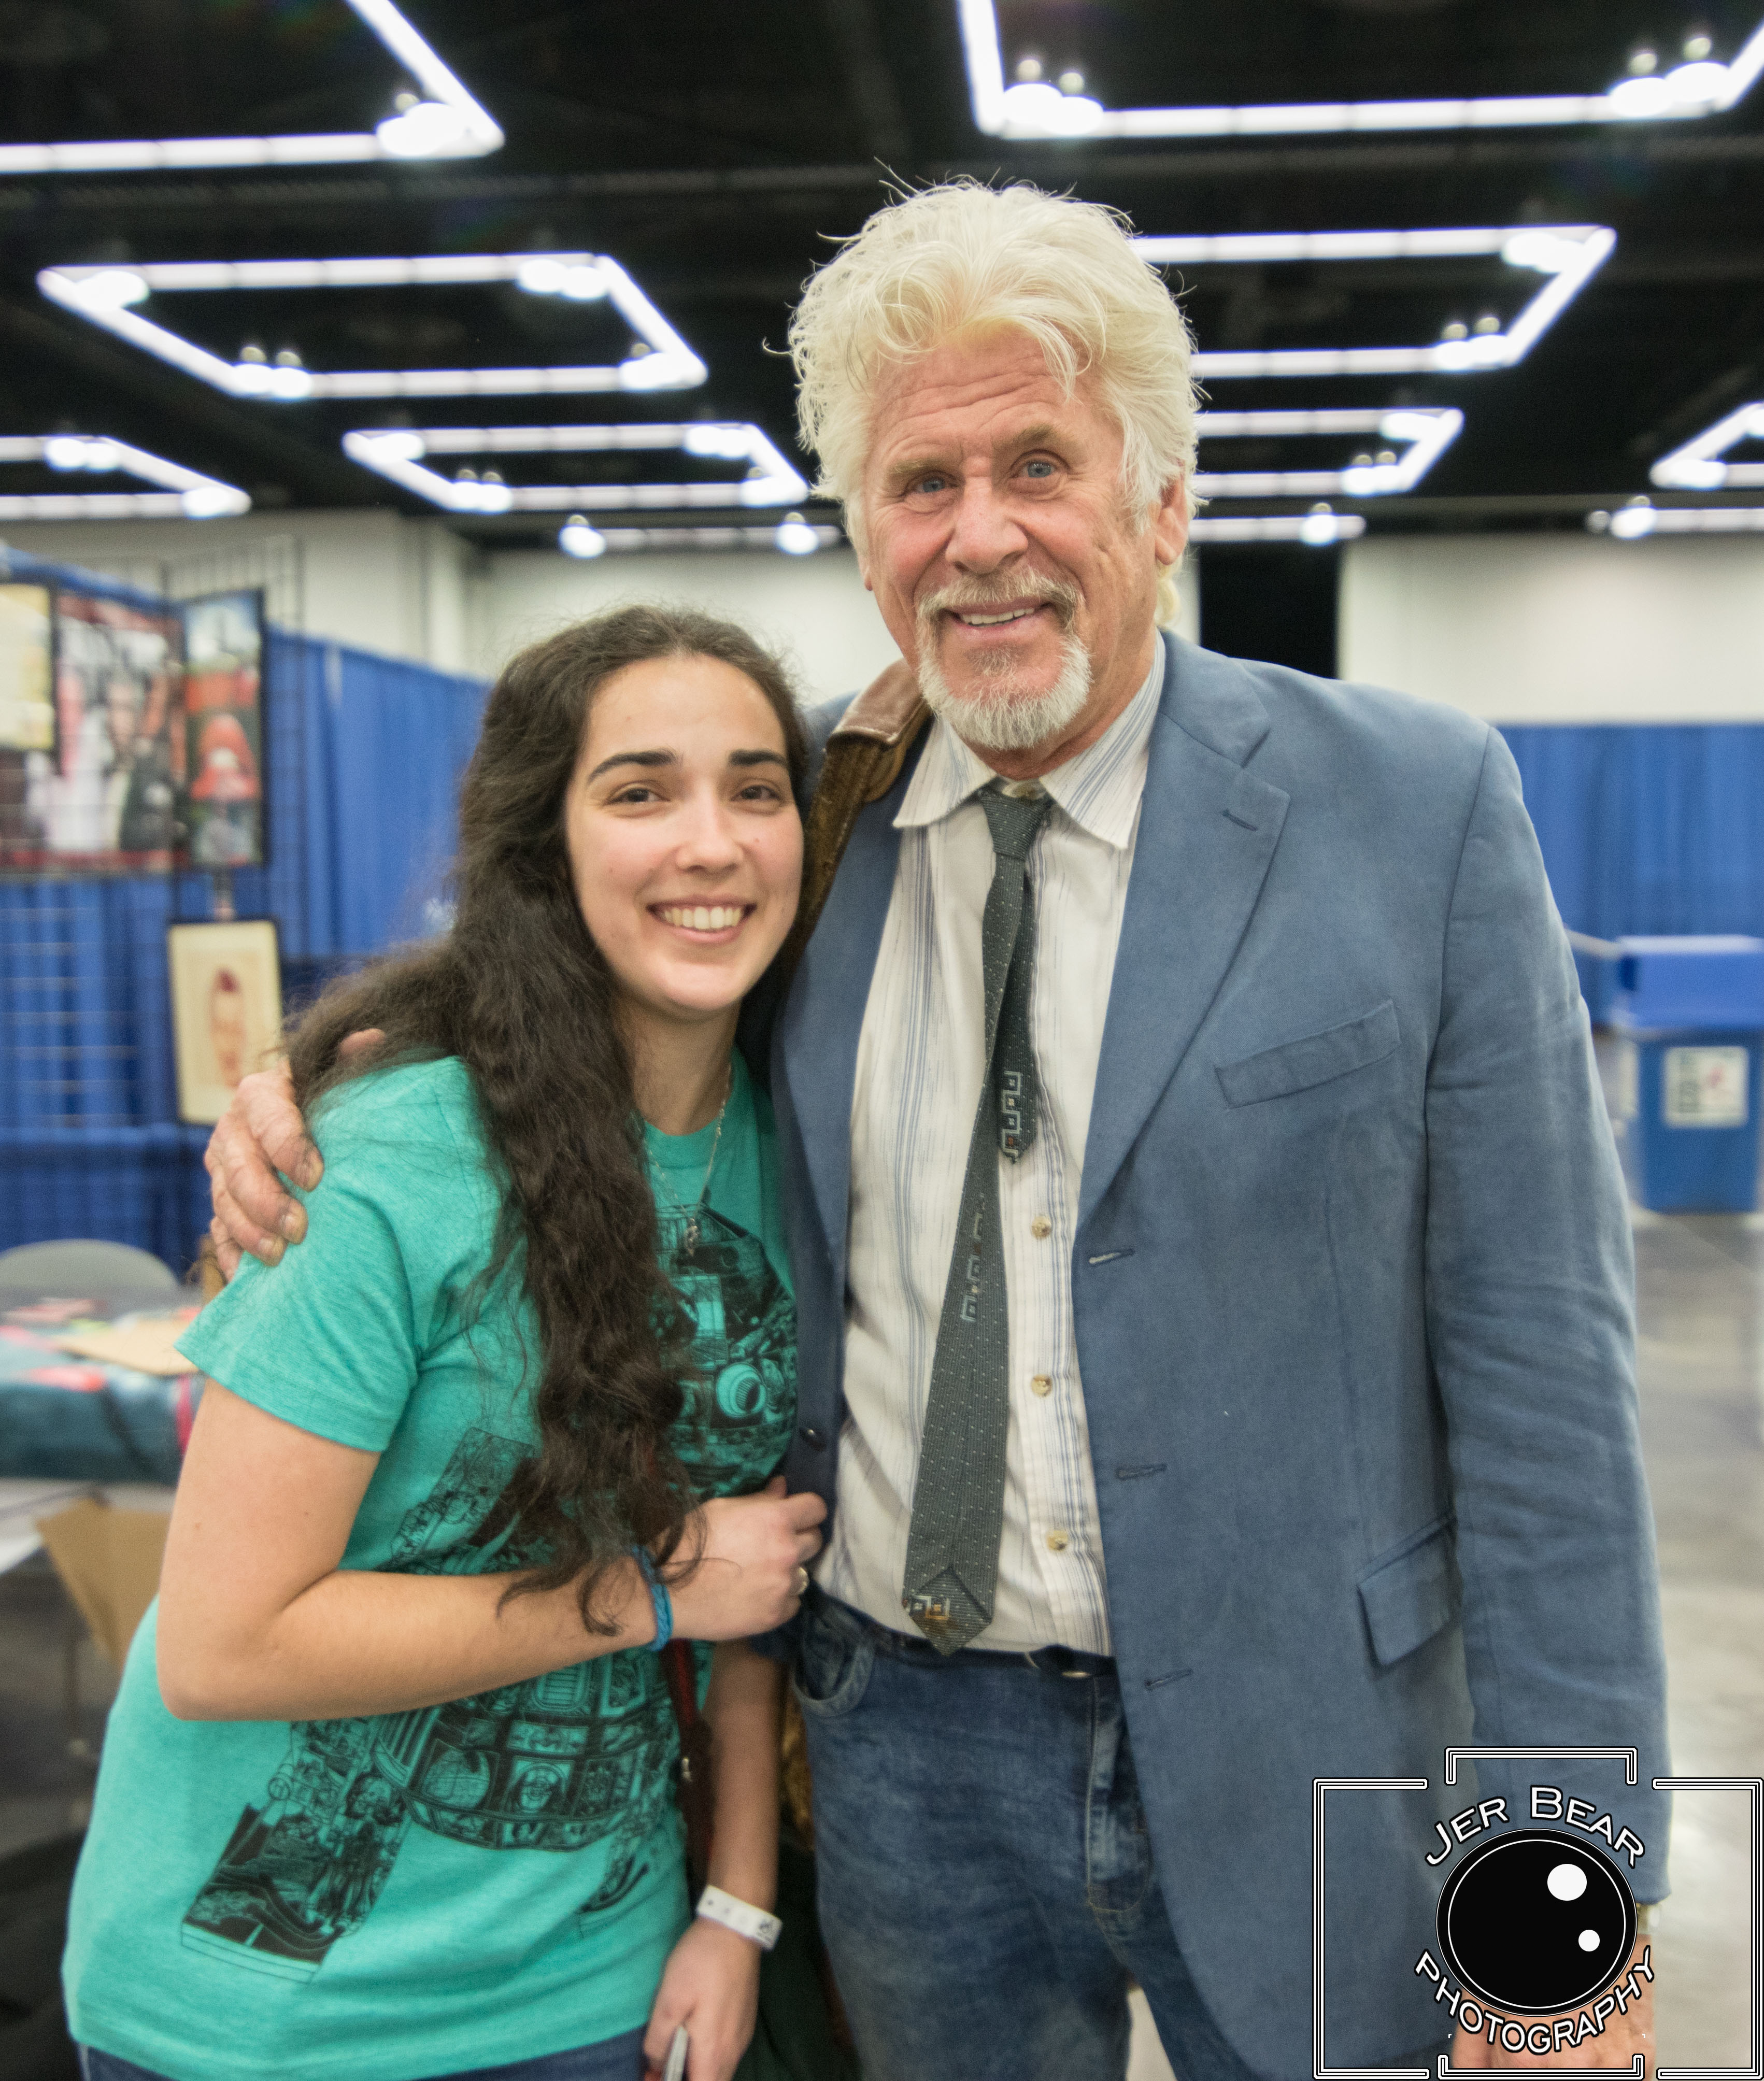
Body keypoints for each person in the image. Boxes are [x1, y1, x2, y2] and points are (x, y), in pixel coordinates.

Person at [207, 183, 1670, 2081]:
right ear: (862, 536)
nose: (981, 535)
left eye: (1039, 464)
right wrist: (314, 1079)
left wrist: (1569, 1904)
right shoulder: (793, 819)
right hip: (901, 1757)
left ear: (1161, 502)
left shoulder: (1412, 805)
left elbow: (1547, 1395)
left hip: (1315, 1742)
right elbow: (551, 982)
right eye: (920, 483)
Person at [68, 605, 827, 2081]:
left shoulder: (799, 1159)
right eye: (639, 792)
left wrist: (734, 1907)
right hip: (269, 2010)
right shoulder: (389, 1161)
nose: (712, 843)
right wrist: (645, 1591)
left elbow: (756, 1572)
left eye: (754, 788)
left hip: (590, 1980)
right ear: (545, 844)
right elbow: (226, 1645)